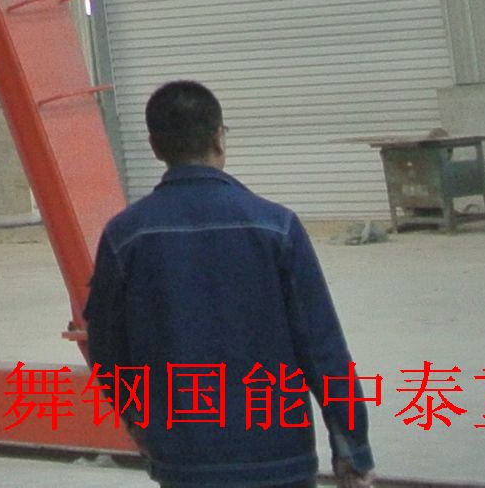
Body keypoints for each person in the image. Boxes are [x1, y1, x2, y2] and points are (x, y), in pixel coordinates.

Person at [80, 81, 371, 488]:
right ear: (218, 138)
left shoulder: (125, 237)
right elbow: (322, 349)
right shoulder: (277, 227)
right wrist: (351, 449)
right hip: (279, 459)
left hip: (185, 462)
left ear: (154, 146)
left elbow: (108, 349)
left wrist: (138, 421)